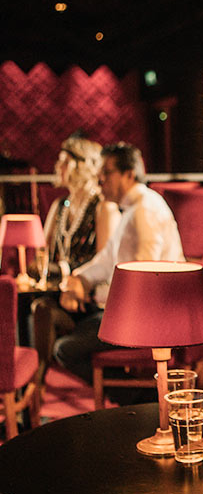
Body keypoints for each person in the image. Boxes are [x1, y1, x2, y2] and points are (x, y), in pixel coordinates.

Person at [52, 142, 185, 385]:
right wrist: (78, 279)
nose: (99, 179)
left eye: (106, 172)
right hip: (135, 310)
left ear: (129, 174)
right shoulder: (131, 208)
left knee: (64, 348)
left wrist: (94, 294)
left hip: (151, 317)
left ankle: (141, 397)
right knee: (71, 327)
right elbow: (106, 260)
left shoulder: (145, 210)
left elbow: (145, 277)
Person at [31, 133, 121, 380]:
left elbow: (104, 263)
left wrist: (69, 277)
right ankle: (31, 380)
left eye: (64, 161)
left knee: (41, 310)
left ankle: (36, 382)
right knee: (33, 305)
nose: (56, 166)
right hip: (63, 292)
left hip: (91, 298)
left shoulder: (103, 207)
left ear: (84, 165)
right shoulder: (60, 206)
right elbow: (42, 254)